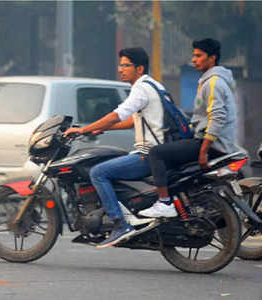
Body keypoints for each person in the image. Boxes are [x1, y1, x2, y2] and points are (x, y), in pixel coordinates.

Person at [64, 47, 168, 248]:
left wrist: (84, 129)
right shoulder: (152, 85)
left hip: (149, 154)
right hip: (159, 152)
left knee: (98, 172)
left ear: (139, 68)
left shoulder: (141, 88)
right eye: (120, 65)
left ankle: (120, 224)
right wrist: (101, 130)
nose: (121, 69)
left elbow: (117, 115)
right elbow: (132, 121)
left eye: (126, 65)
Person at [139, 38, 238, 218]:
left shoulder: (214, 82)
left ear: (212, 58)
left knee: (156, 153)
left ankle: (164, 203)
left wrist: (203, 151)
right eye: (194, 55)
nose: (194, 59)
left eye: (199, 55)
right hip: (210, 141)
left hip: (212, 145)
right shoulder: (211, 80)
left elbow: (217, 117)